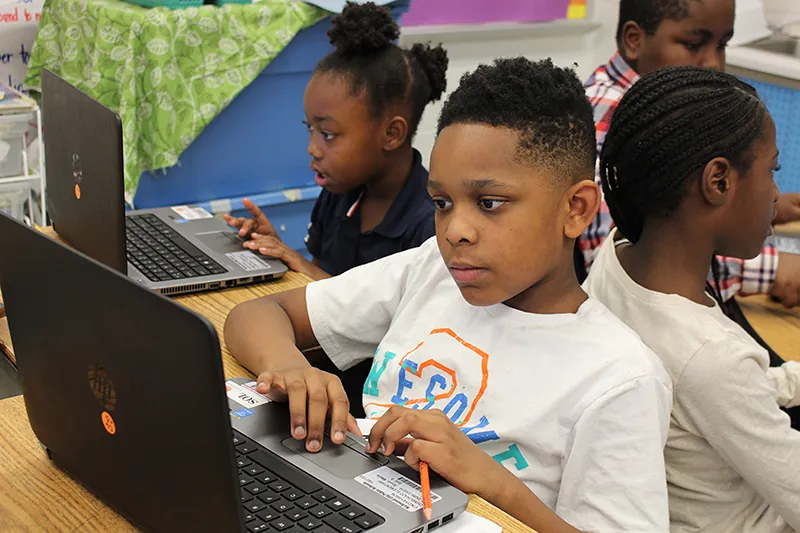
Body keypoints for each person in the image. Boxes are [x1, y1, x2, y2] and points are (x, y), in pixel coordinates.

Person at [224, 57, 672, 532]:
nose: (455, 230)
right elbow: (256, 314)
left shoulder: (620, 378)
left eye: (489, 203)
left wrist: (493, 483)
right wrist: (293, 370)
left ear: (576, 209)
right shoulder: (431, 272)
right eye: (441, 203)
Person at [584, 65, 800, 533]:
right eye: (772, 171)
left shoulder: (617, 255)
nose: (777, 194)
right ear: (718, 181)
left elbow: (727, 397)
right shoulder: (711, 356)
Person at [580, 0, 800, 308]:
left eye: (722, 45)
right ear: (635, 39)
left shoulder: (641, 102)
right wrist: (772, 269)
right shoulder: (611, 116)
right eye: (694, 44)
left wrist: (749, 200)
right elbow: (622, 253)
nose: (712, 61)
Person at [224, 1, 447, 281]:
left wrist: (300, 264)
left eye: (328, 134)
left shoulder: (430, 225)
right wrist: (275, 251)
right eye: (310, 129)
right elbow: (319, 276)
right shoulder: (339, 193)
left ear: (391, 135)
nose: (312, 149)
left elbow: (393, 321)